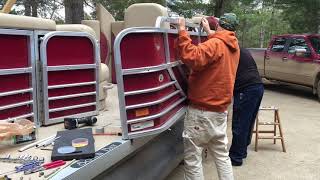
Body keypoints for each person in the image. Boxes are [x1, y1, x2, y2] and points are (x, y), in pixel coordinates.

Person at [177, 13, 240, 180]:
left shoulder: (215, 44)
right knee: (222, 155)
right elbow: (218, 45)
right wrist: (208, 31)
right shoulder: (233, 45)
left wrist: (182, 31)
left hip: (202, 111)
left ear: (219, 25)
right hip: (220, 111)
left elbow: (192, 57)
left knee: (193, 158)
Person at [229, 48, 264, 166]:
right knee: (247, 122)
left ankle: (236, 157)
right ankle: (242, 151)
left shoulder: (230, 50)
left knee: (240, 122)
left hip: (246, 89)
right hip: (257, 87)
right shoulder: (240, 49)